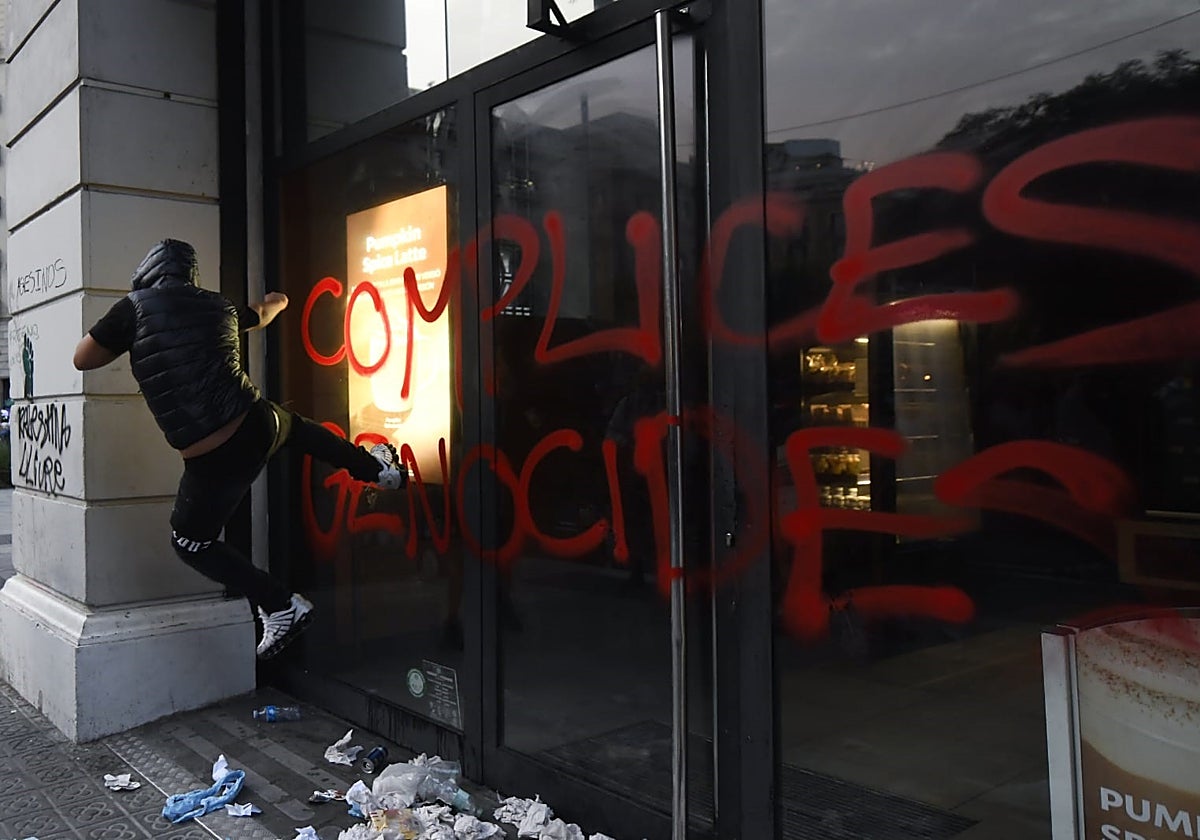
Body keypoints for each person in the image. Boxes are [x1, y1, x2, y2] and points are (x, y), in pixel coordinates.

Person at [72, 239, 407, 659]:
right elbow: (263, 313)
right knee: (298, 429)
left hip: (216, 453)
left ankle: (280, 603)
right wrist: (279, 301)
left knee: (190, 541)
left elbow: (82, 358)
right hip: (256, 421)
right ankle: (379, 470)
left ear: (147, 273)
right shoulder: (219, 306)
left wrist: (126, 323)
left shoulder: (134, 308)